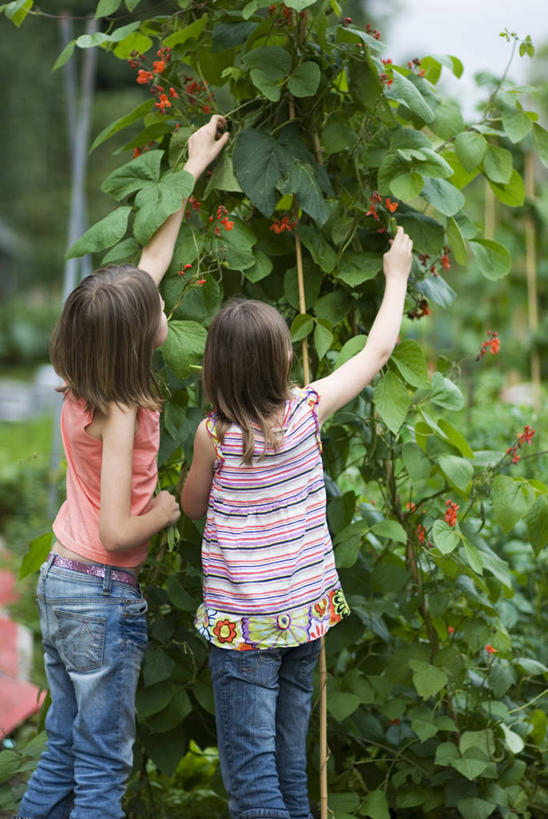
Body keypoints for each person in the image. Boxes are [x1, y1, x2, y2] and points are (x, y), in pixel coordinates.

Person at [15, 115, 229, 819]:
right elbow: (114, 527)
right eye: (155, 310)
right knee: (103, 768)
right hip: (100, 591)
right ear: (138, 342)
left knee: (65, 748)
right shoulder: (126, 408)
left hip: (62, 585)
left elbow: (151, 264)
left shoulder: (92, 379)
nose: (159, 298)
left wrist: (192, 167)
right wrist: (167, 510)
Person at [180, 226, 413, 819]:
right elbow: (377, 352)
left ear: (217, 368)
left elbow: (191, 506)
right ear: (281, 359)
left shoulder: (214, 436)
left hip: (245, 627)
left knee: (253, 781)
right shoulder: (308, 412)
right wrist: (397, 276)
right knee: (285, 765)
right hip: (304, 619)